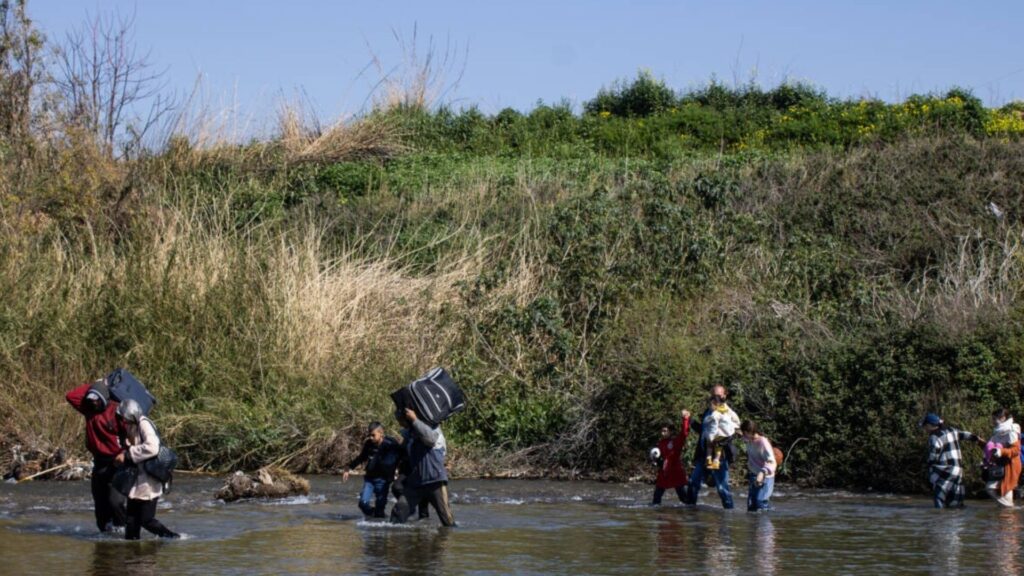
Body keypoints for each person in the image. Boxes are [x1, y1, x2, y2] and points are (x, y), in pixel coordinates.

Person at [65, 378, 127, 533]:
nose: (93, 403)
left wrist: (126, 453)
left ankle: (125, 529)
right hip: (99, 463)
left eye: (97, 400)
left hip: (118, 463)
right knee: (100, 505)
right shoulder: (89, 410)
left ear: (105, 398)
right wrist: (95, 384)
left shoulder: (117, 411)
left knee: (115, 502)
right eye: (91, 399)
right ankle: (105, 536)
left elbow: (132, 435)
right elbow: (71, 396)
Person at [113, 399, 179, 540]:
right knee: (131, 521)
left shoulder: (144, 424)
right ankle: (132, 555)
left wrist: (128, 454)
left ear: (131, 414)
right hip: (137, 478)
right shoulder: (133, 425)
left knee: (146, 520)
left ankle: (172, 537)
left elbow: (152, 447)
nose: (123, 419)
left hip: (148, 479)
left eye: (124, 416)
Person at [389, 407, 455, 526]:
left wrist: (414, 419)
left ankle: (445, 542)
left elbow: (430, 439)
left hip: (435, 481)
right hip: (415, 482)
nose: (400, 423)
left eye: (401, 420)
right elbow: (402, 451)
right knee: (397, 514)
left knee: (447, 520)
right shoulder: (411, 434)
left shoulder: (433, 429)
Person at [685, 385, 738, 509]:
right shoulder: (708, 411)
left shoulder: (728, 412)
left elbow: (733, 432)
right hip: (703, 453)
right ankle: (690, 513)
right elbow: (703, 430)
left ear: (725, 396)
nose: (716, 397)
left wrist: (720, 442)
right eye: (713, 395)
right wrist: (690, 420)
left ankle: (729, 512)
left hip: (720, 456)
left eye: (719, 395)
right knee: (693, 483)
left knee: (722, 488)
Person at [342, 422, 402, 519]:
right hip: (370, 479)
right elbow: (361, 457)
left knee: (379, 510)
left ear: (381, 433)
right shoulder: (369, 444)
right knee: (363, 503)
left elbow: (400, 457)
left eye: (373, 435)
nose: (371, 437)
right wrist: (349, 468)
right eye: (369, 435)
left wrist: (398, 471)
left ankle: (379, 522)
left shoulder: (390, 444)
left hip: (383, 481)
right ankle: (372, 517)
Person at [921, 412, 981, 509]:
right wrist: (977, 439)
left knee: (939, 496)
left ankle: (940, 518)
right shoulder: (951, 430)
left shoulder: (934, 437)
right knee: (956, 498)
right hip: (958, 470)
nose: (924, 429)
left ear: (929, 425)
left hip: (946, 470)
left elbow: (933, 458)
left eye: (925, 426)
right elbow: (966, 435)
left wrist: (928, 468)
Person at [652, 409, 691, 505]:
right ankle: (656, 516)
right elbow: (658, 457)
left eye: (665, 431)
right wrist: (655, 460)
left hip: (675, 471)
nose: (662, 433)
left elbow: (684, 433)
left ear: (670, 431)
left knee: (684, 499)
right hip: (664, 472)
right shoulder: (660, 443)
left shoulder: (676, 442)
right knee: (656, 498)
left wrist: (685, 419)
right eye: (661, 431)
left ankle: (691, 514)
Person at [984, 408, 1021, 507]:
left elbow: (1016, 450)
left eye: (994, 419)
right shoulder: (997, 431)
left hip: (1011, 466)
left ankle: (1010, 509)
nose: (993, 421)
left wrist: (1001, 451)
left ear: (1003, 418)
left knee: (1005, 491)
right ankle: (1009, 509)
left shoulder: (1011, 430)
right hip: (1001, 465)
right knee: (992, 488)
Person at [740, 420, 777, 511]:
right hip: (753, 474)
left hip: (766, 476)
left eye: (744, 433)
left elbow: (772, 461)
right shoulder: (749, 439)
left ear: (750, 432)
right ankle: (753, 524)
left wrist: (762, 472)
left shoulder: (763, 442)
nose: (743, 436)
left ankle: (767, 522)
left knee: (760, 502)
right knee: (751, 505)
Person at [704, 396, 740, 471]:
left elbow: (713, 427)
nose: (710, 407)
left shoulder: (715, 414)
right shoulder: (726, 409)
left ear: (715, 404)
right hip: (729, 434)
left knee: (709, 443)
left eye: (710, 405)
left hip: (722, 434)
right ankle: (716, 462)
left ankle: (709, 458)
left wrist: (710, 438)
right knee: (718, 447)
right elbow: (735, 417)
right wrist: (737, 425)